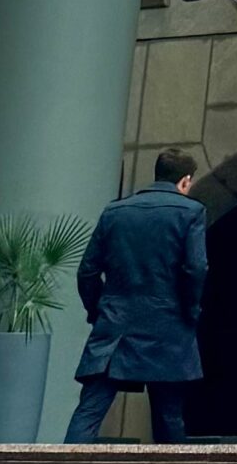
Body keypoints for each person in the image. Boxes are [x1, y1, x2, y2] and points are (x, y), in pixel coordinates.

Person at [64, 148, 206, 444]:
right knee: (169, 417)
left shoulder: (114, 212)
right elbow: (196, 268)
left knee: (89, 411)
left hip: (116, 325)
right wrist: (190, 311)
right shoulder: (191, 212)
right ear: (185, 181)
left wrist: (98, 310)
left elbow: (87, 272)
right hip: (169, 327)